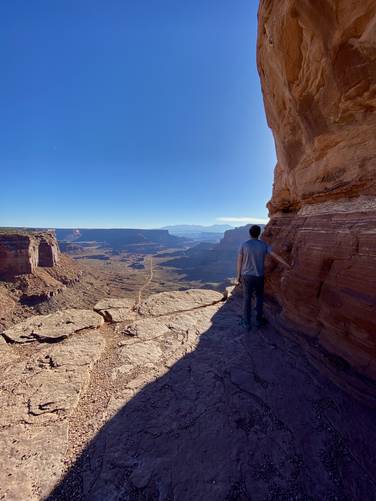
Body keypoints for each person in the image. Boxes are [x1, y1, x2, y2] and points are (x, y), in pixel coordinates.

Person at [236, 224, 290, 330]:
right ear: (259, 233)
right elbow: (275, 255)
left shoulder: (244, 245)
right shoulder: (263, 245)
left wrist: (238, 276)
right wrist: (286, 264)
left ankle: (246, 323)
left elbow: (239, 262)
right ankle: (258, 320)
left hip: (247, 276)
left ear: (250, 233)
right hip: (259, 276)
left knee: (247, 298)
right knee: (259, 297)